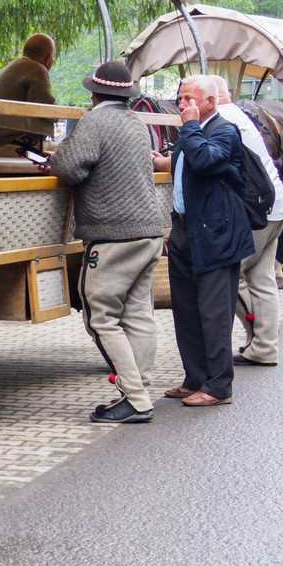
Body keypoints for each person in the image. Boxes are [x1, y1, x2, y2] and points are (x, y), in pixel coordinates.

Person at [43, 61, 164, 423]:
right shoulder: (136, 124)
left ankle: (137, 400)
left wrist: (55, 157)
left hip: (113, 235)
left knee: (100, 317)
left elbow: (69, 168)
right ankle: (139, 390)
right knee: (139, 315)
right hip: (149, 231)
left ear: (94, 94)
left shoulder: (94, 121)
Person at [162, 75, 255, 406]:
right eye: (180, 98)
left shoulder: (224, 131)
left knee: (214, 312)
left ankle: (219, 385)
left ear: (210, 103)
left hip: (217, 233)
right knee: (185, 310)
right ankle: (195, 377)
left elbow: (204, 161)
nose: (182, 105)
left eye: (188, 99)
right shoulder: (195, 132)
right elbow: (183, 166)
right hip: (186, 229)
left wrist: (188, 128)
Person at [210, 75, 283, 366]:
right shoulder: (242, 114)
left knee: (233, 273)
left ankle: (260, 340)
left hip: (256, 212)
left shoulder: (222, 118)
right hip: (276, 204)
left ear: (212, 98)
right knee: (262, 278)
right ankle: (265, 346)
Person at [0, 33, 56, 157]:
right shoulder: (37, 69)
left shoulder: (11, 68)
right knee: (66, 153)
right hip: (0, 144)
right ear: (47, 60)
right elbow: (49, 111)